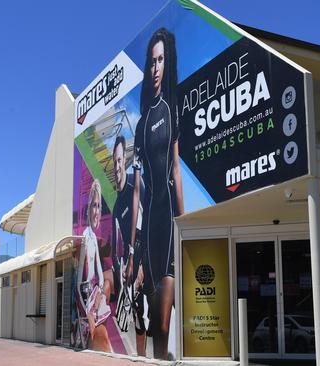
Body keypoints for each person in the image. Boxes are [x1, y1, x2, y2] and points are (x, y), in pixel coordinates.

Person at [130, 27, 184, 360]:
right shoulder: (141, 123)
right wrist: (136, 249)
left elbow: (175, 169)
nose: (155, 68)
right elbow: (138, 189)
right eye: (152, 61)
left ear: (167, 64)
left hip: (169, 221)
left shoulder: (172, 107)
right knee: (155, 324)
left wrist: (184, 222)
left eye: (160, 60)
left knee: (166, 318)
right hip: (150, 229)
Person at [111, 135, 148, 356]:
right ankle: (142, 357)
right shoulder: (116, 207)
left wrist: (142, 264)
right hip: (130, 266)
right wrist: (123, 271)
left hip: (145, 254)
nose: (117, 167)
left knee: (152, 307)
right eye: (114, 162)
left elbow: (150, 221)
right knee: (137, 314)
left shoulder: (137, 184)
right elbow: (119, 248)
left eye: (119, 161)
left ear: (124, 159)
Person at [74, 179, 112, 352]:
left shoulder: (93, 239)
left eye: (99, 207)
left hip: (94, 296)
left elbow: (99, 272)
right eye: (94, 206)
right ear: (88, 208)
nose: (97, 211)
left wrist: (100, 293)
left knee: (101, 337)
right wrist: (88, 303)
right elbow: (81, 277)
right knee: (99, 337)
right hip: (85, 296)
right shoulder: (84, 236)